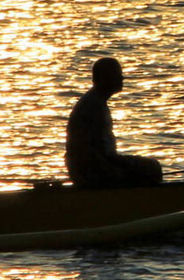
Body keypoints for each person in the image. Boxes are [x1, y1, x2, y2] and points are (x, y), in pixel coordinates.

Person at [65, 57, 163, 188]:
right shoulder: (93, 106)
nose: (122, 79)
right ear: (103, 78)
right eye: (117, 75)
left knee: (146, 167)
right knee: (152, 167)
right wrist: (127, 166)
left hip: (91, 166)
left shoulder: (96, 101)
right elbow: (99, 153)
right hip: (91, 170)